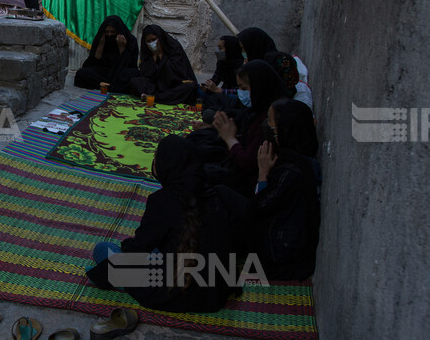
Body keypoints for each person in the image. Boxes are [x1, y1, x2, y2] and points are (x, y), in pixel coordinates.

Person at [86, 135, 238, 313]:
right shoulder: (217, 195)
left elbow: (138, 250)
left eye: (157, 158)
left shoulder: (162, 201)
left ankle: (123, 282)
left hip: (177, 292)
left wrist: (105, 272)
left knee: (102, 250)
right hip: (215, 292)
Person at [225, 98, 321, 281]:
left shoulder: (292, 171)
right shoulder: (293, 158)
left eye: (271, 126)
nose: (267, 129)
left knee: (222, 194)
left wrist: (263, 174)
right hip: (276, 235)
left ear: (286, 130)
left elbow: (261, 208)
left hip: (277, 254)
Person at [211, 60, 290, 194]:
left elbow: (248, 162)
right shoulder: (260, 108)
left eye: (244, 89)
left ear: (259, 87)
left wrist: (230, 139)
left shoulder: (270, 120)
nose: (241, 93)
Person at [129, 25, 198, 105]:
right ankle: (158, 97)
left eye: (154, 39)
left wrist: (161, 55)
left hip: (173, 85)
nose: (152, 43)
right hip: (156, 86)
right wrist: (154, 58)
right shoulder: (147, 52)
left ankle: (155, 98)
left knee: (190, 87)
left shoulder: (174, 47)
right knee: (135, 81)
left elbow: (177, 73)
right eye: (149, 41)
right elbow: (146, 75)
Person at [74, 16, 140, 92]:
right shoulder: (101, 38)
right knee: (81, 74)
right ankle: (112, 87)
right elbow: (93, 62)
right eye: (107, 32)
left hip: (120, 72)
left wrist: (122, 48)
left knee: (133, 76)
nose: (109, 34)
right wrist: (100, 45)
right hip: (104, 72)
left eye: (113, 32)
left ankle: (106, 86)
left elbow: (131, 65)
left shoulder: (131, 41)